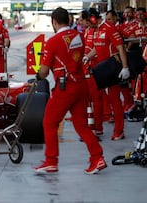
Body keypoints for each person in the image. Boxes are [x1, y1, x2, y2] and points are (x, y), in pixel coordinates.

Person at [33, 7, 106, 175]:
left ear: (54, 22)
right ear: (70, 20)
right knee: (81, 125)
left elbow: (43, 71)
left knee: (49, 123)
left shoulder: (52, 41)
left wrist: (40, 73)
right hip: (81, 84)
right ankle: (97, 157)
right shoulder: (79, 36)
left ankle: (51, 161)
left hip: (65, 87)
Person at [83, 8, 130, 141]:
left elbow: (120, 47)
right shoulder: (96, 29)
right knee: (101, 98)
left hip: (113, 68)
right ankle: (98, 128)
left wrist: (125, 67)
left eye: (88, 21)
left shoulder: (109, 27)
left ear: (92, 18)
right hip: (102, 69)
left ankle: (119, 131)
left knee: (114, 100)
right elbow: (97, 48)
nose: (87, 24)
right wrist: (87, 57)